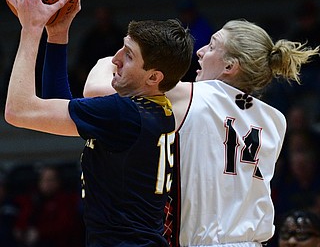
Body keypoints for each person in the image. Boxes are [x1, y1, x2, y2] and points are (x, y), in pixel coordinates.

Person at [80, 19, 319, 246]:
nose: (200, 51)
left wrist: (112, 59)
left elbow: (95, 92)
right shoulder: (276, 120)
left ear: (230, 66)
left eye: (212, 46)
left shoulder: (191, 96)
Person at [4, 0, 194, 247]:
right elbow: (58, 106)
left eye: (128, 55)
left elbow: (19, 111)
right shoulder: (155, 111)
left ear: (153, 77)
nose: (115, 59)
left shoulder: (124, 114)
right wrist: (57, 35)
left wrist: (31, 28)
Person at [14, 165, 83, 247]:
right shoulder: (32, 198)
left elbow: (65, 225)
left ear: (58, 181)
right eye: (43, 180)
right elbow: (23, 219)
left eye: (50, 180)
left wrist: (40, 232)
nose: (47, 183)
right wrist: (21, 229)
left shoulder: (66, 200)